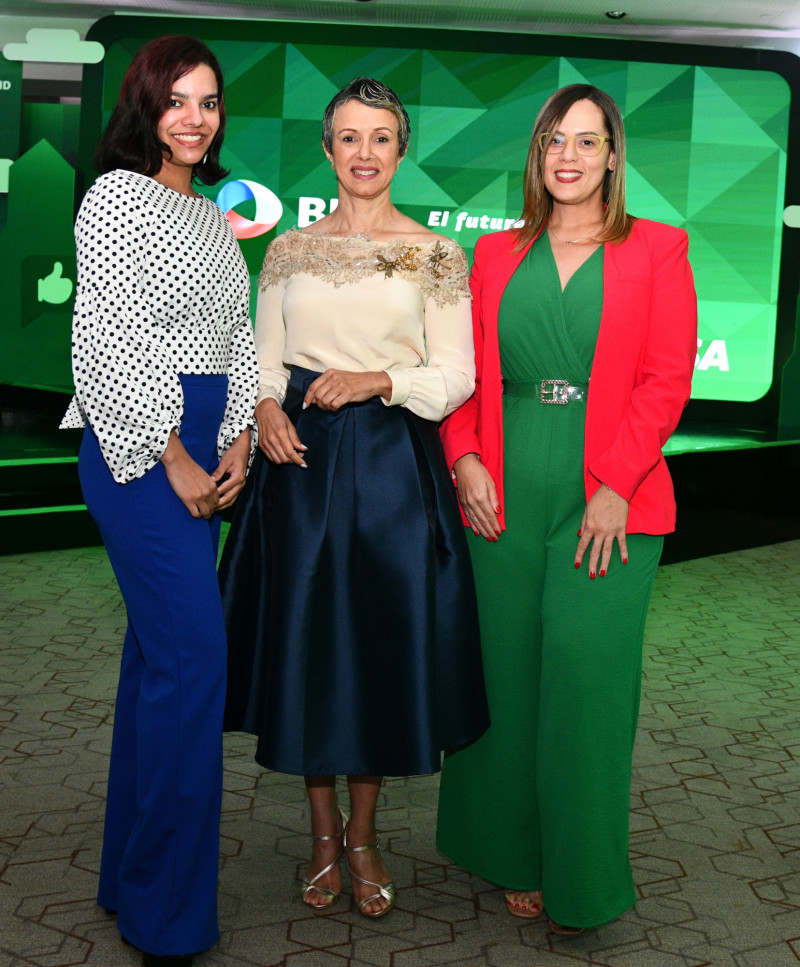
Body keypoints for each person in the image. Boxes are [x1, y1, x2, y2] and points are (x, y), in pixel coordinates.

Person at [219, 77, 488, 920]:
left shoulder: (438, 255)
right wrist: (263, 405)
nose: (363, 153)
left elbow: (455, 375)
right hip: (296, 467)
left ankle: (366, 835)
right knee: (307, 651)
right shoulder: (289, 250)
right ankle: (323, 832)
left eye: (380, 137)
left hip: (388, 469)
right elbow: (260, 361)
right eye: (347, 137)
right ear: (327, 149)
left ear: (401, 150)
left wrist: (380, 378)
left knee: (373, 654)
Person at [435, 83, 697, 933]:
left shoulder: (659, 249)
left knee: (586, 685)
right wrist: (464, 458)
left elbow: (666, 380)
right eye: (555, 140)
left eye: (588, 142)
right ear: (537, 155)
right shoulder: (495, 256)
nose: (570, 157)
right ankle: (508, 853)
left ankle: (580, 873)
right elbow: (465, 369)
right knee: (505, 677)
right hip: (503, 491)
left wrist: (617, 484)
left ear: (614, 156)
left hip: (610, 497)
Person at [59, 35, 258, 967]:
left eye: (208, 102)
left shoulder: (216, 218)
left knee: (158, 668)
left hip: (209, 443)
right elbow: (108, 340)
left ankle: (129, 878)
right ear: (145, 105)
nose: (194, 117)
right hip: (138, 448)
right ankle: (166, 917)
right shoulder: (114, 197)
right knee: (194, 662)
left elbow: (239, 335)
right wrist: (173, 452)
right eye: (176, 99)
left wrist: (244, 437)